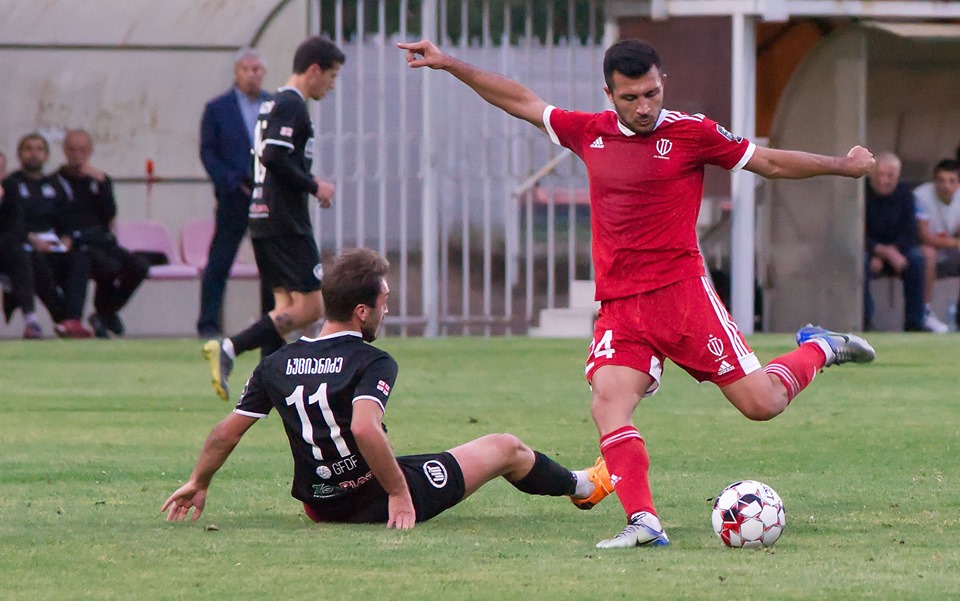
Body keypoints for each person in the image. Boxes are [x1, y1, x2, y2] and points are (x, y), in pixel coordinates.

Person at [397, 38, 877, 548]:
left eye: (651, 93)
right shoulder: (590, 132)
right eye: (630, 98)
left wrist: (843, 166)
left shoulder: (693, 133)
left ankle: (819, 347)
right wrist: (449, 64)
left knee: (762, 404)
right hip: (622, 307)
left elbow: (771, 164)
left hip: (683, 298)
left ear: (662, 82)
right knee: (608, 406)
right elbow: (521, 101)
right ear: (609, 94)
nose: (643, 107)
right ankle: (645, 522)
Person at [165, 248, 612, 526]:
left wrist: (197, 481)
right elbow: (363, 428)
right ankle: (582, 485)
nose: (387, 311)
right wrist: (399, 494)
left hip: (320, 506)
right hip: (375, 498)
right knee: (505, 447)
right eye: (384, 302)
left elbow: (227, 431)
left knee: (406, 456)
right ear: (362, 311)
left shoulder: (277, 362)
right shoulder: (372, 359)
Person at [203, 36, 341, 401]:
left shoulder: (271, 104)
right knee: (312, 307)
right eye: (332, 75)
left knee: (283, 310)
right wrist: (315, 185)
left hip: (265, 217)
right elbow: (274, 158)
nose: (332, 84)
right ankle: (229, 348)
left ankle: (268, 390)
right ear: (314, 70)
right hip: (285, 220)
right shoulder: (290, 105)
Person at [197, 48, 274, 339]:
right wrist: (230, 180)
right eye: (246, 69)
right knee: (220, 259)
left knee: (269, 260)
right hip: (233, 195)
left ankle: (271, 321)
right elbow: (208, 152)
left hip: (266, 195)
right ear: (236, 72)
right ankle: (208, 323)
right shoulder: (218, 108)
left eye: (257, 69)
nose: (252, 75)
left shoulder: (272, 105)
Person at [56, 129, 149, 338]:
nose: (77, 155)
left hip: (102, 241)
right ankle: (98, 316)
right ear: (64, 151)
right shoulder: (57, 181)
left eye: (82, 150)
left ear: (89, 151)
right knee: (108, 266)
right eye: (71, 149)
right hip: (78, 244)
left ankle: (106, 312)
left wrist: (103, 184)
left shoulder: (98, 180)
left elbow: (110, 215)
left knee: (140, 265)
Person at [2, 133, 91, 338]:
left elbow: (67, 218)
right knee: (35, 261)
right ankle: (61, 319)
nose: (34, 154)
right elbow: (10, 222)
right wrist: (30, 238)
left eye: (39, 149)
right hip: (27, 244)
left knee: (80, 259)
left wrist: (67, 238)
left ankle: (72, 319)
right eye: (28, 149)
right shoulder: (11, 184)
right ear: (20, 154)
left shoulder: (56, 184)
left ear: (47, 155)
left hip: (53, 244)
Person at [864, 152, 932, 332]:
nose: (884, 181)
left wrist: (894, 251)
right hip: (870, 248)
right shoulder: (861, 193)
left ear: (897, 177)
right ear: (871, 174)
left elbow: (911, 231)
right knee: (859, 262)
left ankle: (915, 322)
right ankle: (865, 322)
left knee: (917, 259)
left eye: (890, 176)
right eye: (880, 175)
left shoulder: (905, 193)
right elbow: (854, 232)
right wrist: (879, 251)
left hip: (898, 249)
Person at [0, 150, 44, 338]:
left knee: (20, 254)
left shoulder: (11, 187)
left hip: (5, 247)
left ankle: (30, 319)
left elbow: (16, 226)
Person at [914, 159, 960, 330]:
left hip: (949, 247)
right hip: (920, 247)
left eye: (951, 181)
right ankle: (925, 311)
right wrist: (955, 242)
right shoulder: (921, 196)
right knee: (928, 253)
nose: (946, 185)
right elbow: (925, 237)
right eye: (941, 180)